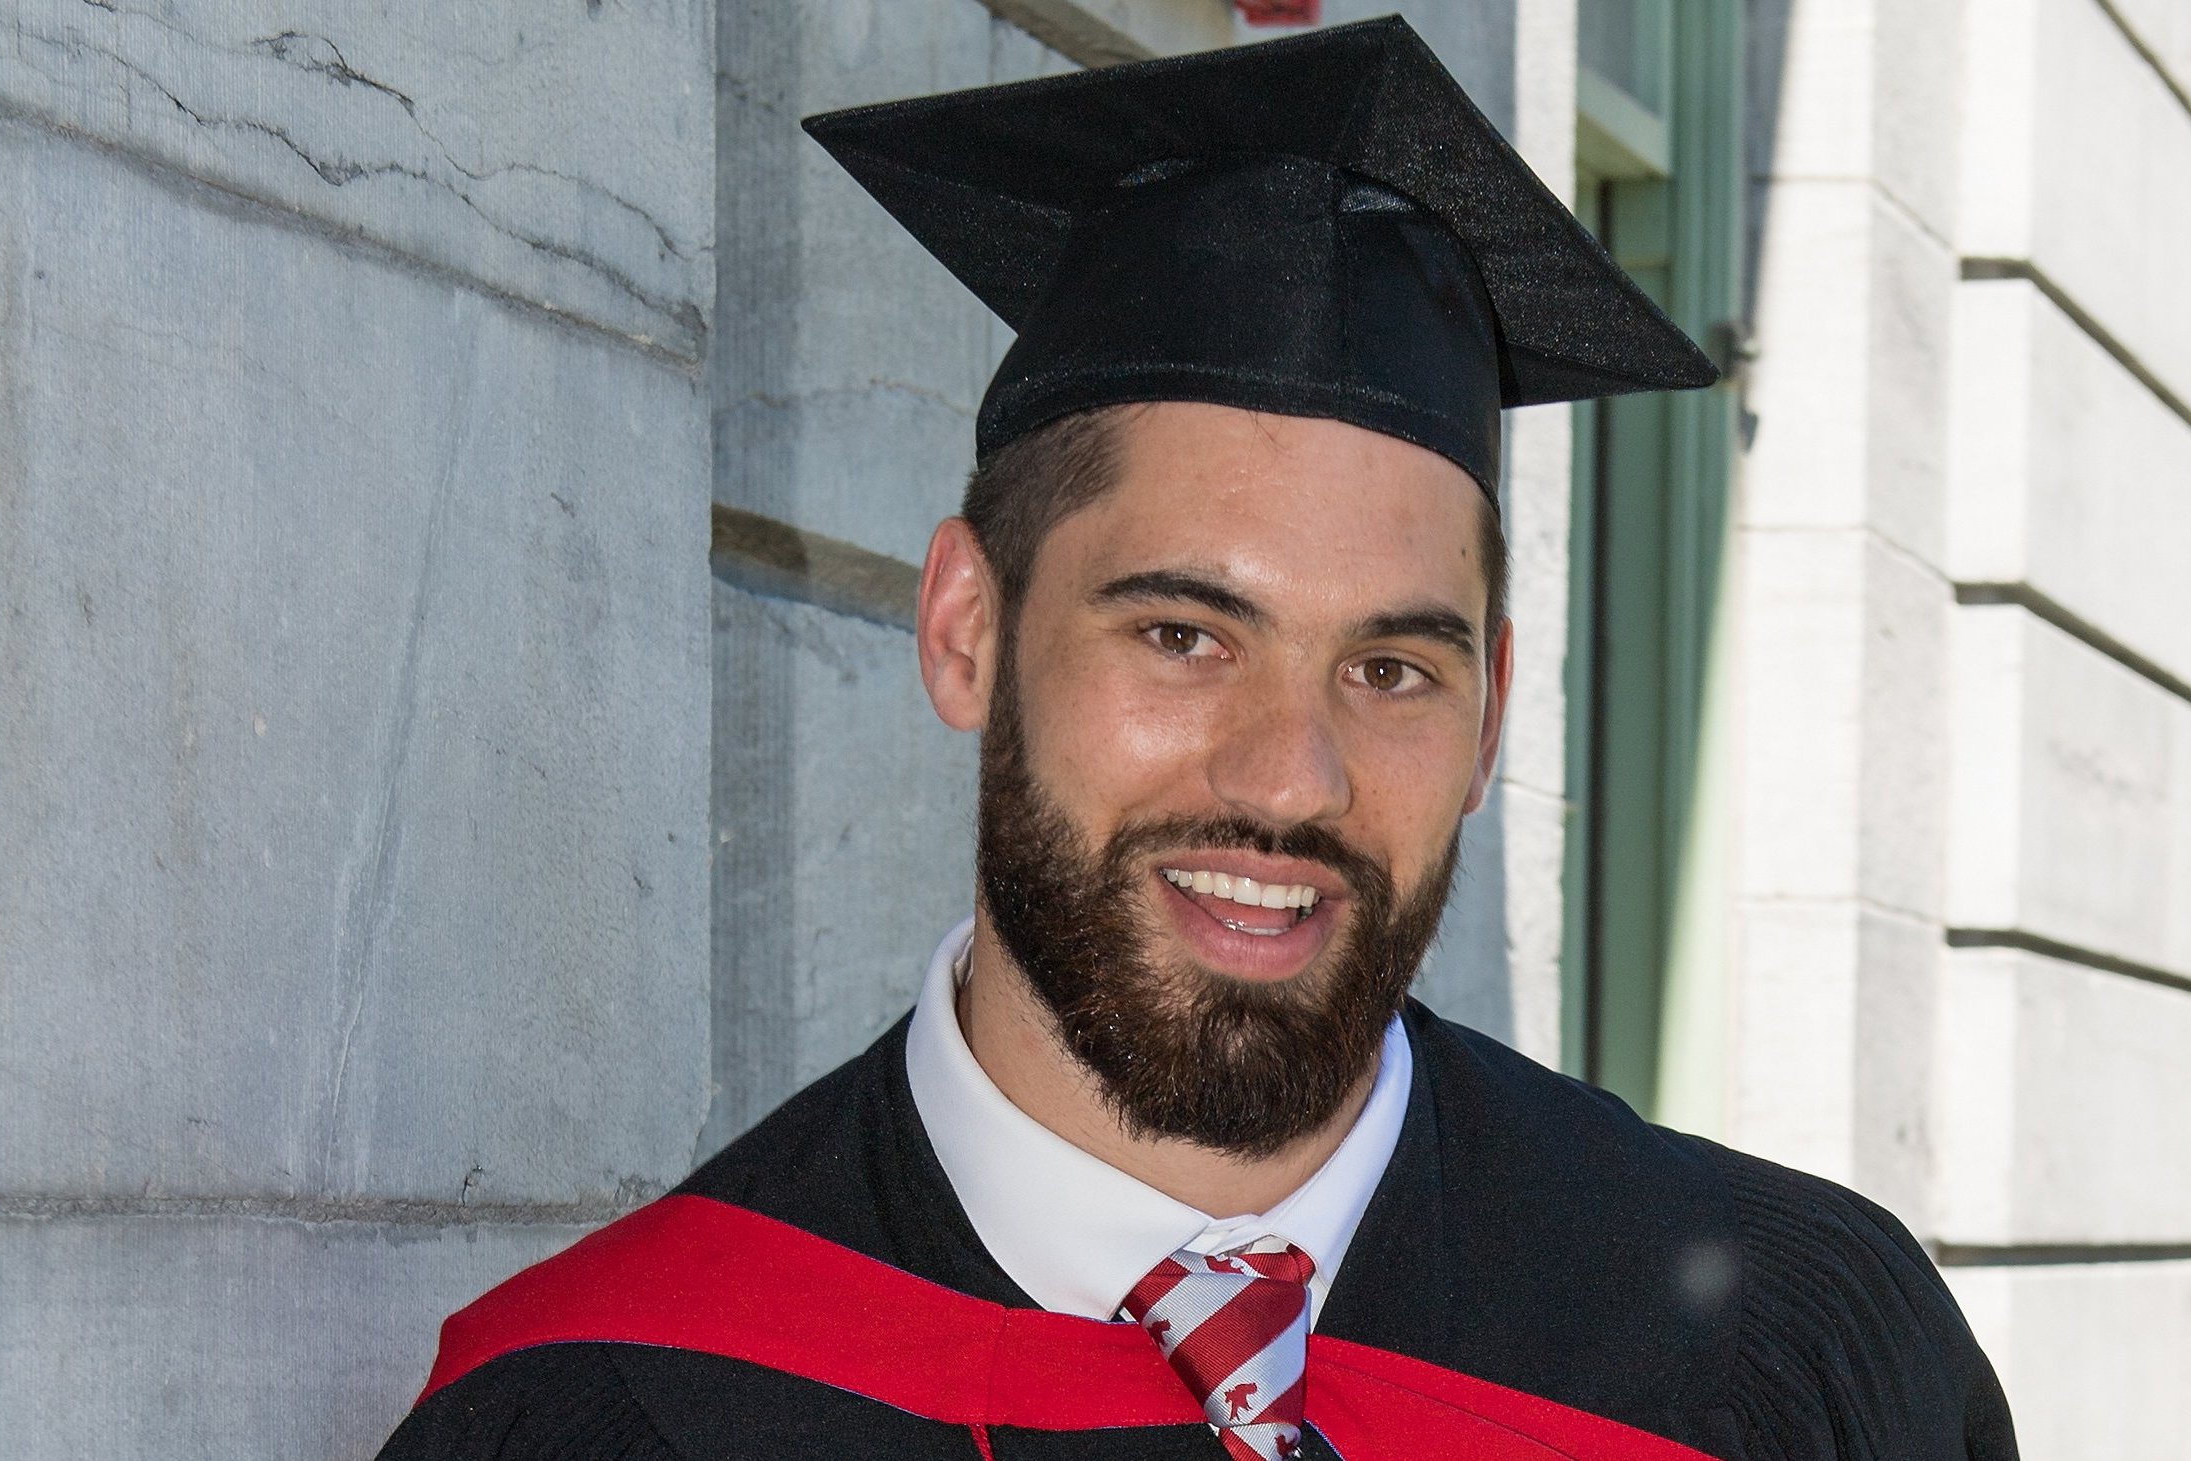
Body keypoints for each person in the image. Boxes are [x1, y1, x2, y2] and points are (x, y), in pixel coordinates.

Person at [379, 18, 2016, 1461]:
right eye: (1183, 635)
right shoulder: (609, 1408)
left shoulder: (1784, 1365)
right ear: (967, 628)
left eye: (1392, 667)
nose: (1288, 775)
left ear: (1496, 704)